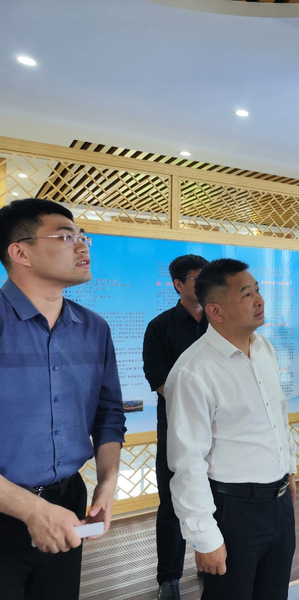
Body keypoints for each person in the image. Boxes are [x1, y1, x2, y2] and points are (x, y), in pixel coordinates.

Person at [0, 198, 126, 599]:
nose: (82, 245)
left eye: (84, 236)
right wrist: (31, 510)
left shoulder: (94, 328)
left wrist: (107, 483)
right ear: (20, 252)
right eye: (66, 237)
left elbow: (108, 413)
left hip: (68, 500)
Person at [165, 258, 297, 600]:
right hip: (233, 510)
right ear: (215, 311)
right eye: (246, 294)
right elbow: (187, 461)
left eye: (258, 291)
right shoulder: (193, 371)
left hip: (279, 503)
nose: (259, 300)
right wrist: (204, 537)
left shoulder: (264, 349)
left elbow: (278, 416)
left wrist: (289, 471)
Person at [142, 254, 209, 600]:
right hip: (177, 430)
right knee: (172, 503)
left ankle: (210, 559)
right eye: (198, 278)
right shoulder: (160, 327)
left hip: (219, 429)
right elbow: (160, 381)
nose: (206, 283)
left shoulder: (221, 322)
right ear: (179, 285)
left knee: (218, 497)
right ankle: (169, 578)